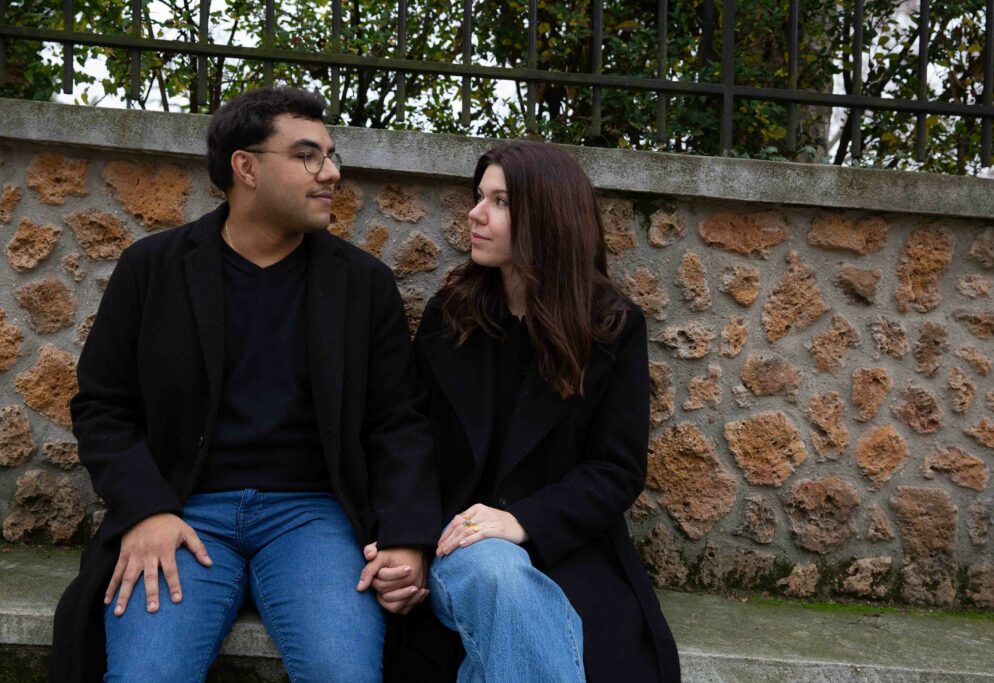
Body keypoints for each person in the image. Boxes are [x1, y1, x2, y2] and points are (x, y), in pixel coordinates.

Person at [50, 86, 439, 682]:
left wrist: (407, 537)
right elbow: (103, 405)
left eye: (331, 155)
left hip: (314, 518)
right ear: (246, 167)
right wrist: (146, 510)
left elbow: (398, 421)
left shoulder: (362, 284)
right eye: (307, 155)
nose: (331, 172)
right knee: (147, 675)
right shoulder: (153, 268)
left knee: (343, 673)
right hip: (183, 512)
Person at [375, 141, 680, 682]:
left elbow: (616, 468)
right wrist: (406, 534)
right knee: (496, 570)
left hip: (564, 548)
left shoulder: (609, 328)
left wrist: (521, 520)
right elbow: (410, 436)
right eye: (479, 197)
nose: (475, 213)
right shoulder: (452, 317)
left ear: (549, 218)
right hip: (457, 545)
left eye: (500, 202)